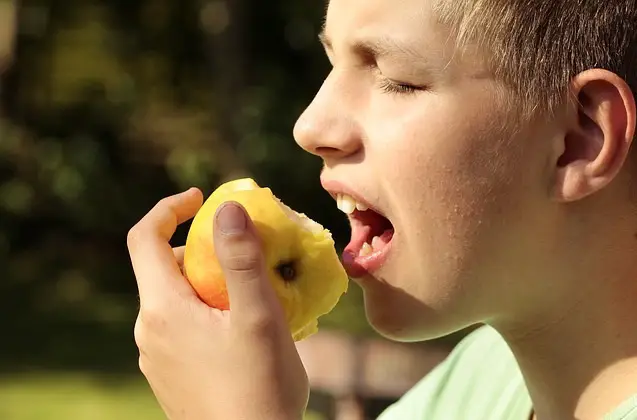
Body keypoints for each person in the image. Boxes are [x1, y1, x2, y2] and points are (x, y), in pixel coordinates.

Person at [126, 0, 637, 418]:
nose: (310, 127)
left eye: (395, 79)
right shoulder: (478, 383)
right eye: (332, 63)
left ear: (577, 140)